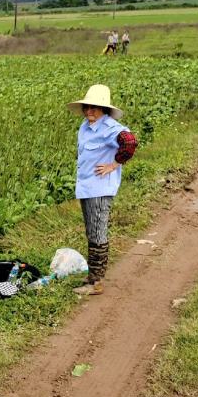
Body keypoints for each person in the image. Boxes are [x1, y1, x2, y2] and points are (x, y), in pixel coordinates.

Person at [67, 84, 137, 296]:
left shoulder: (110, 127)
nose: (89, 111)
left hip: (99, 189)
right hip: (87, 187)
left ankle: (96, 283)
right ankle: (92, 276)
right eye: (87, 107)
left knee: (98, 232)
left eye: (94, 108)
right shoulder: (86, 126)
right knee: (92, 232)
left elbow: (130, 142)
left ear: (104, 109)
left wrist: (114, 165)